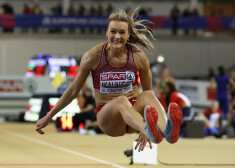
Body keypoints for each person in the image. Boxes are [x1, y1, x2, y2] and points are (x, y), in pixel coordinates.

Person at [36, 8, 183, 151]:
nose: (117, 36)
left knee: (148, 94)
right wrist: (49, 115)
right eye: (113, 31)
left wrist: (144, 122)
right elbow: (74, 90)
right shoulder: (93, 56)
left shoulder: (138, 56)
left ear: (128, 35)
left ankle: (167, 131)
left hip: (133, 117)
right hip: (109, 120)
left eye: (122, 32)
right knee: (121, 100)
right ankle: (147, 129)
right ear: (106, 32)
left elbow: (147, 92)